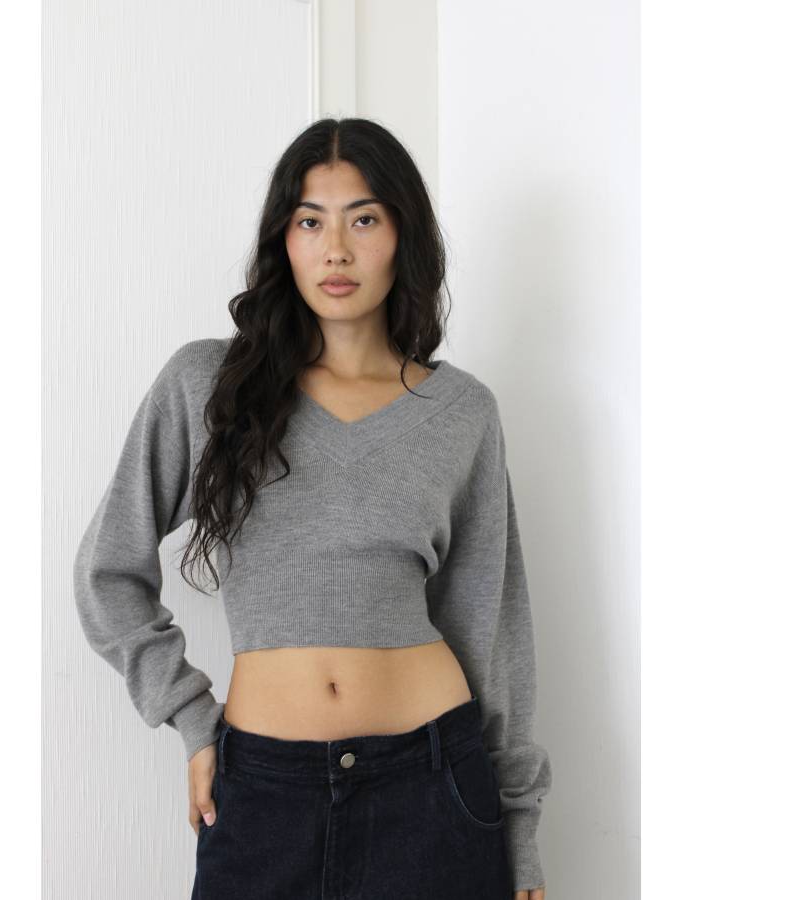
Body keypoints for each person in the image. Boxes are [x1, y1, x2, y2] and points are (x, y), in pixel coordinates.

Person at [73, 117, 552, 899]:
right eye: (309, 221)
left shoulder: (462, 412)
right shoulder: (207, 387)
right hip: (263, 796)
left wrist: (520, 829)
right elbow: (107, 572)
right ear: (282, 241)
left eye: (363, 220)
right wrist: (190, 716)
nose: (335, 250)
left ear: (402, 236)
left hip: (433, 791)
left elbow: (491, 629)